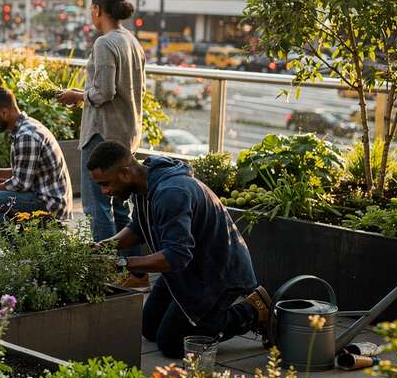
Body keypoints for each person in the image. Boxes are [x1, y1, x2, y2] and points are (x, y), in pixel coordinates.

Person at [85, 139, 274, 359]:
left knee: (172, 344)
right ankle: (203, 315)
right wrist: (106, 247)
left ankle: (253, 311)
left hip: (216, 273)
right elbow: (138, 227)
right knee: (149, 328)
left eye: (105, 184)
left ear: (126, 173)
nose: (105, 191)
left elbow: (176, 257)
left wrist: (122, 263)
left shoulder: (171, 193)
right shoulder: (142, 184)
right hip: (188, 269)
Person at [57, 0, 147, 253]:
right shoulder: (131, 40)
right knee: (121, 206)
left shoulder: (105, 42)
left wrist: (78, 96)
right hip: (126, 134)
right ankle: (130, 270)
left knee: (97, 205)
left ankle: (107, 269)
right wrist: (88, 97)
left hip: (101, 135)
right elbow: (135, 89)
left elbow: (104, 92)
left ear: (97, 9)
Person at [0, 87, 73, 225]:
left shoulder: (26, 136)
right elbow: (25, 172)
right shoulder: (26, 127)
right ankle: (27, 241)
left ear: (4, 112)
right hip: (46, 199)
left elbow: (20, 184)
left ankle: (16, 246)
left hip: (49, 205)